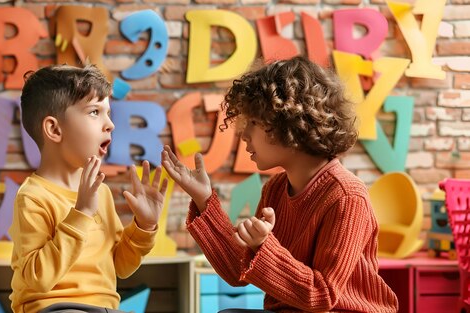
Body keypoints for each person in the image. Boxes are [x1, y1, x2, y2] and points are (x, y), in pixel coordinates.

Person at [161, 56, 398, 312]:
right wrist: (204, 200)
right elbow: (236, 271)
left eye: (253, 122)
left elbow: (322, 295)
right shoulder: (274, 189)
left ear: (290, 122)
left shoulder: (347, 196)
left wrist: (264, 246)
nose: (243, 134)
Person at [9, 64, 168, 313]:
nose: (110, 125)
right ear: (54, 129)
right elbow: (37, 278)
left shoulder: (100, 192)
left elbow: (120, 266)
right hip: (54, 307)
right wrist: (81, 213)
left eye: (108, 113)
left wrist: (144, 227)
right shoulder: (33, 197)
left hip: (105, 308)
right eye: (94, 112)